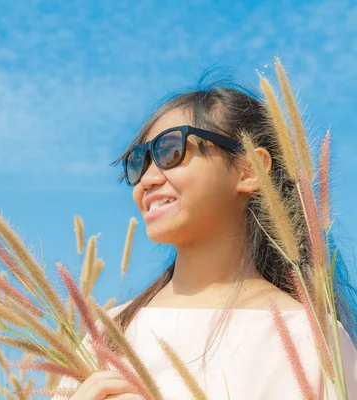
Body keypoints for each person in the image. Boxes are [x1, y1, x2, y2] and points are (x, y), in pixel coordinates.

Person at [52, 76, 357, 399]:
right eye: (138, 163)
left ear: (249, 169)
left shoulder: (314, 339)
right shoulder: (109, 333)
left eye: (171, 151)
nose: (148, 179)